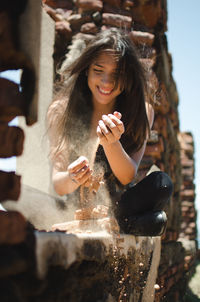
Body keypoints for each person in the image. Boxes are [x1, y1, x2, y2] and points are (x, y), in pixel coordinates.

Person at [47, 28, 173, 236]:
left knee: (162, 184)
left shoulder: (142, 111)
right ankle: (115, 224)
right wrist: (72, 176)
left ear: (128, 78)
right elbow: (59, 185)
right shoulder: (60, 111)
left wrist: (111, 143)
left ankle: (112, 223)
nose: (106, 82)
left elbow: (126, 177)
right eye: (98, 70)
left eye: (117, 74)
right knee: (154, 221)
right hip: (75, 210)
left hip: (119, 208)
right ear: (86, 69)